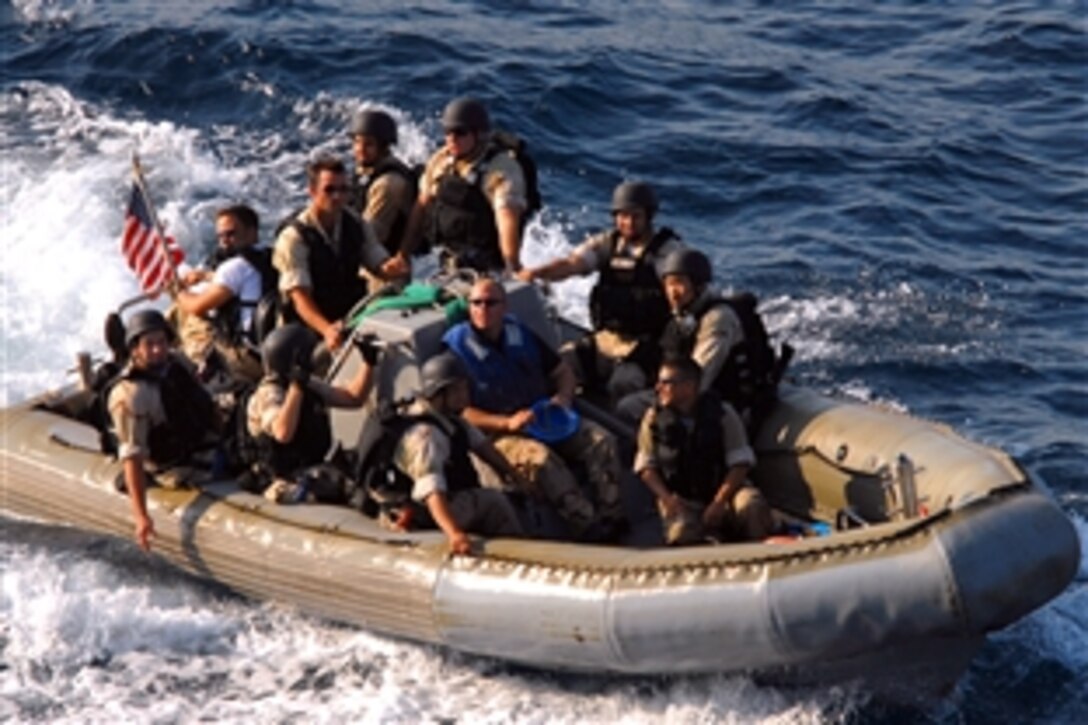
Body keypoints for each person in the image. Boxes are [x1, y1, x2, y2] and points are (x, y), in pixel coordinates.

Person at [443, 278, 626, 541]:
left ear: (504, 307)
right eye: (476, 303)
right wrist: (506, 423)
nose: (483, 309)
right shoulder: (456, 351)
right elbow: (460, 412)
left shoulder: (519, 334)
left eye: (491, 303)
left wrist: (562, 398)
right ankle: (587, 527)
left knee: (602, 441)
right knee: (541, 460)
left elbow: (562, 371)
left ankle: (613, 516)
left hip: (543, 418)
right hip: (498, 434)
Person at [518, 181, 683, 404]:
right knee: (558, 364)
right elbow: (572, 263)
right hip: (605, 339)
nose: (629, 223)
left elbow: (680, 287)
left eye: (636, 216)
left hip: (644, 347)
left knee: (624, 384)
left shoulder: (667, 252)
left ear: (649, 216)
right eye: (623, 216)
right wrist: (535, 273)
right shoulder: (609, 243)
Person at [617, 248, 778, 432]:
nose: (673, 292)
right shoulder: (683, 315)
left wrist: (662, 400)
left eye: (679, 283)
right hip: (696, 393)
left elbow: (697, 379)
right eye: (668, 284)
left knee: (627, 408)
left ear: (698, 285)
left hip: (723, 405)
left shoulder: (718, 319)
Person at [106, 309, 220, 551]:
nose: (158, 350)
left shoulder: (176, 363)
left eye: (162, 342)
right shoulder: (131, 396)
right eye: (150, 344)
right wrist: (141, 517)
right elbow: (132, 458)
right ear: (135, 348)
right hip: (175, 466)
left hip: (200, 441)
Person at [391, 352, 525, 553]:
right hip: (424, 510)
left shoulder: (450, 419)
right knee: (493, 502)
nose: (466, 395)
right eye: (459, 389)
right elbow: (431, 491)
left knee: (507, 493)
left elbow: (484, 448)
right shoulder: (426, 436)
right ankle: (518, 550)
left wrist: (515, 476)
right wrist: (454, 533)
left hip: (449, 494)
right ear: (440, 393)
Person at [273, 156, 408, 354]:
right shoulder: (294, 237)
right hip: (306, 332)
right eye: (329, 190)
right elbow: (300, 299)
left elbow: (377, 261)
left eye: (343, 190)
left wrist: (392, 268)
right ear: (312, 192)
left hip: (348, 319)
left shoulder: (355, 224)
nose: (337, 196)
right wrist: (327, 330)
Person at [634, 355, 774, 546]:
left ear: (689, 386)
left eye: (666, 383)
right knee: (681, 533)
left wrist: (719, 502)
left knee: (751, 506)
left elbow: (740, 463)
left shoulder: (723, 414)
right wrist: (666, 498)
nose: (658, 388)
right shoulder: (653, 420)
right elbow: (646, 466)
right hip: (682, 498)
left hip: (723, 492)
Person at [245, 322, 379, 503]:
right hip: (282, 479)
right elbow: (282, 433)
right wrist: (296, 388)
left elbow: (352, 398)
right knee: (353, 494)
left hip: (313, 467)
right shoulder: (268, 394)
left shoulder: (308, 385)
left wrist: (368, 363)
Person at [398, 97, 529, 274]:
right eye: (447, 132)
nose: (452, 139)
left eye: (460, 132)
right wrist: (403, 255)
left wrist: (512, 267)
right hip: (441, 259)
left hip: (486, 267)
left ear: (478, 134)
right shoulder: (442, 160)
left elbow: (506, 218)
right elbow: (421, 206)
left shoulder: (500, 169)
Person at [174, 204, 272, 385]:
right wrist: (204, 276)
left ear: (252, 232)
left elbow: (196, 306)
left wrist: (177, 291)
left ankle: (170, 351)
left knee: (190, 317)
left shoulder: (234, 267)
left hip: (245, 359)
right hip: (270, 351)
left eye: (231, 234)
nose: (224, 241)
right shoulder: (269, 256)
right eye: (221, 236)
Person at [349, 109, 417, 255]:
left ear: (383, 147)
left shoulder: (389, 184)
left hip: (381, 266)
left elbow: (371, 237)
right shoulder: (364, 172)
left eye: (368, 144)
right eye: (357, 142)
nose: (360, 149)